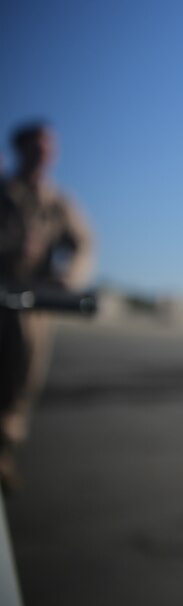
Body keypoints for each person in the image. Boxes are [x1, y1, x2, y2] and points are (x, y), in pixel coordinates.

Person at [0, 121, 93, 491]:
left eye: (48, 146)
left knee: (21, 386)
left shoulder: (58, 202)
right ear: (19, 149)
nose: (44, 153)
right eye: (36, 146)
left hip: (32, 309)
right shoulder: (5, 192)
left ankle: (4, 455)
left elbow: (83, 244)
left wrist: (68, 277)